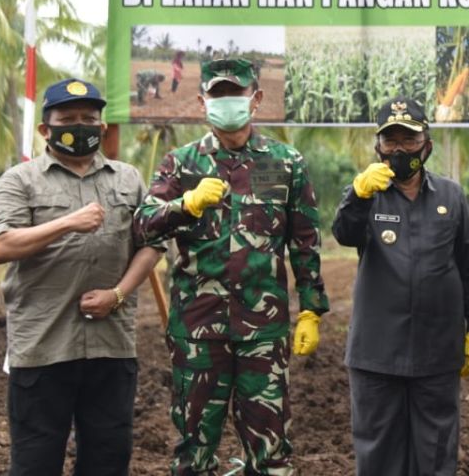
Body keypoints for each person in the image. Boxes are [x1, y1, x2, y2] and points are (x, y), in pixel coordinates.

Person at [134, 58, 329, 476]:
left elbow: (305, 242)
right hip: (197, 333)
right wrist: (183, 205)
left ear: (255, 99)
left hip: (264, 331)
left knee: (271, 454)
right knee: (193, 453)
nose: (226, 102)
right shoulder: (181, 164)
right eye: (217, 94)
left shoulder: (285, 162)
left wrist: (311, 307)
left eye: (235, 94)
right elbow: (142, 223)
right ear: (203, 101)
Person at [0, 78, 162, 475]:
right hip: (43, 345)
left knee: (108, 457)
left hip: (112, 345)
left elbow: (152, 244)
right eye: (68, 119)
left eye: (89, 118)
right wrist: (67, 223)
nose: (80, 126)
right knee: (36, 460)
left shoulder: (127, 178)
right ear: (45, 129)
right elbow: (0, 246)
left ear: (102, 127)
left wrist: (118, 294)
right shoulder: (20, 180)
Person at [333, 97, 469, 475]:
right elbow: (343, 233)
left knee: (435, 457)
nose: (400, 149)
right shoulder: (368, 195)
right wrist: (357, 194)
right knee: (379, 457)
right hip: (377, 356)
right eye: (391, 141)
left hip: (437, 353)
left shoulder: (451, 196)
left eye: (409, 139)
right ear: (378, 147)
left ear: (427, 144)